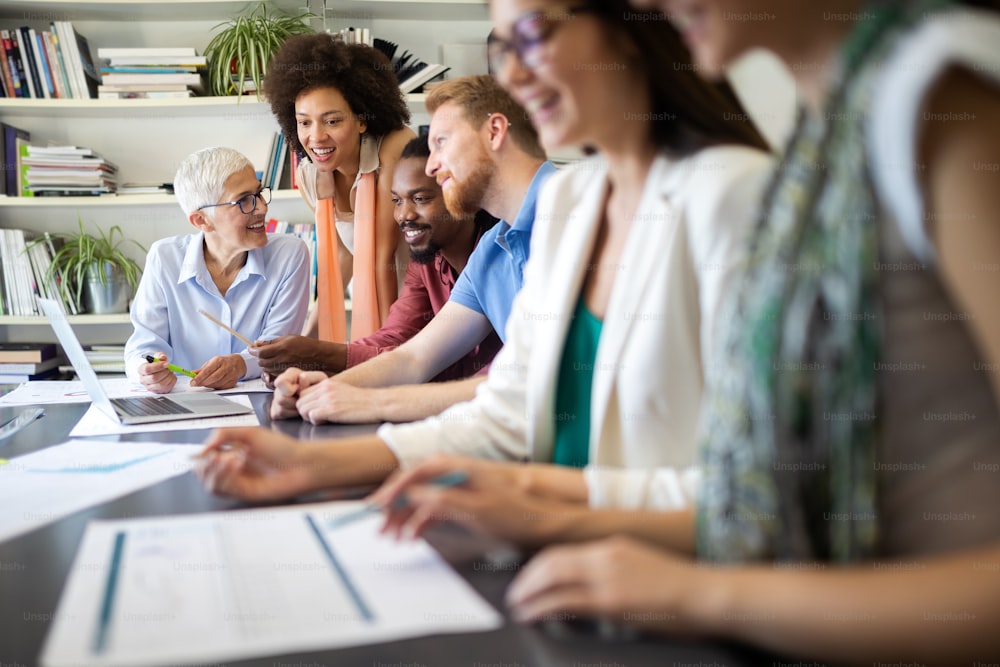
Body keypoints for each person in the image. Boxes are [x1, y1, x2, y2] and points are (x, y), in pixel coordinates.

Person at [436, 0, 1000, 664]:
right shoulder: (830, 129)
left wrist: (701, 592)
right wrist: (558, 503)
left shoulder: (944, 91)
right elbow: (763, 485)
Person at [195, 2, 773, 514]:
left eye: (535, 33)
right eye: (505, 49)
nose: (515, 75)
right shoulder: (570, 203)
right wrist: (313, 462)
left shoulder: (729, 193)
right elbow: (507, 401)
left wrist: (558, 511)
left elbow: (758, 476)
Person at [267, 75, 556, 424]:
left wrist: (368, 403)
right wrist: (322, 390)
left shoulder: (578, 218)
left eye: (441, 143)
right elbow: (414, 358)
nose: (432, 165)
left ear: (494, 132)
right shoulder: (492, 252)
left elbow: (527, 384)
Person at [264, 137, 503, 420]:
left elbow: (446, 368)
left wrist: (320, 357)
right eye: (397, 200)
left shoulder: (501, 256)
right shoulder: (426, 261)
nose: (404, 215)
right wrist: (316, 376)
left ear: (464, 195)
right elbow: (400, 347)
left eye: (421, 199)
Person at [259, 33, 414, 348]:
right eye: (304, 123)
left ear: (361, 120)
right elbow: (341, 258)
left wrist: (383, 352)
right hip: (389, 326)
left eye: (331, 121)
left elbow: (379, 257)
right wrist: (305, 343)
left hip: (426, 315)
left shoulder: (394, 148)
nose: (316, 137)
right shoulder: (310, 177)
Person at [124, 146, 310, 393]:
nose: (262, 208)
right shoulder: (164, 257)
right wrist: (146, 371)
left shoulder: (290, 254)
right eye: (244, 200)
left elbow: (279, 350)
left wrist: (240, 365)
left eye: (259, 193)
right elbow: (142, 348)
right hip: (184, 404)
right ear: (201, 220)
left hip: (260, 405)